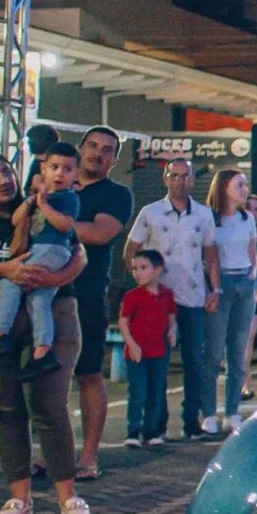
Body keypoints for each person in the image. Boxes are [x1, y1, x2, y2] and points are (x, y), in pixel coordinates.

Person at [0, 151, 89, 514]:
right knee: (6, 408)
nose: (3, 180)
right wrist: (4, 269)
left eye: (7, 172)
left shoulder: (46, 207)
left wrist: (51, 280)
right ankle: (19, 498)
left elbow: (79, 255)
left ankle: (68, 497)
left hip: (51, 312)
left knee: (49, 405)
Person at [127, 157, 220, 441]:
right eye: (174, 175)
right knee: (158, 362)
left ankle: (191, 421)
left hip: (192, 297)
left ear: (192, 180)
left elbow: (210, 255)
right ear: (165, 179)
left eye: (186, 176)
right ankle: (155, 424)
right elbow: (131, 249)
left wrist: (215, 290)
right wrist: (142, 285)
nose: (180, 181)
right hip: (158, 298)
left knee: (194, 360)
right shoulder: (150, 213)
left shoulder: (203, 215)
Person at [0, 145, 79, 382]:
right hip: (44, 250)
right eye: (54, 167)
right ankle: (42, 351)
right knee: (39, 299)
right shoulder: (39, 198)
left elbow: (65, 225)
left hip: (51, 249)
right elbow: (16, 218)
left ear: (76, 175)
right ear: (43, 169)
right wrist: (32, 200)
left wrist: (44, 205)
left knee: (11, 283)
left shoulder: (68, 198)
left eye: (67, 169)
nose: (60, 174)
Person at [66, 127, 135, 480]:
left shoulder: (117, 195)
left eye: (106, 150)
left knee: (88, 373)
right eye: (92, 146)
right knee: (49, 380)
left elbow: (99, 234)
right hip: (44, 293)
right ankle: (57, 452)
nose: (97, 153)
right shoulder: (57, 186)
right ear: (80, 148)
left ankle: (88, 455)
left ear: (114, 159)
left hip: (86, 295)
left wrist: (51, 219)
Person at [202, 167, 257, 432]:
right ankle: (208, 414)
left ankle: (232, 411)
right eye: (240, 185)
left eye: (246, 184)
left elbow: (252, 252)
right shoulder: (209, 219)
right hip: (220, 283)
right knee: (214, 353)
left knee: (238, 351)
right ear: (224, 187)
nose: (245, 190)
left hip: (243, 284)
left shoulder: (247, 218)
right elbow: (208, 256)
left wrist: (251, 274)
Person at [119, 247, 177, 447]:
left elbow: (171, 318)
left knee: (155, 392)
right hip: (137, 354)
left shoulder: (167, 295)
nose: (138, 272)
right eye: (135, 268)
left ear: (157, 270)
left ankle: (151, 430)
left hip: (158, 352)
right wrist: (132, 345)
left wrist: (172, 331)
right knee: (137, 393)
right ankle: (133, 431)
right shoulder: (132, 296)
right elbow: (123, 321)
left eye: (143, 267)